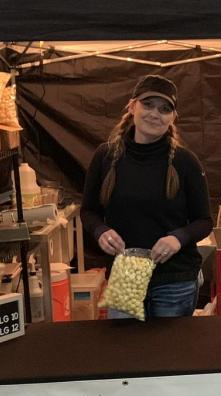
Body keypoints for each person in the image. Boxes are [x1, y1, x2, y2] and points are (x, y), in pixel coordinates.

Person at [81, 75, 212, 318]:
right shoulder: (105, 156)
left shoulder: (185, 162)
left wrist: (178, 238)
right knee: (125, 341)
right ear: (132, 107)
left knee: (168, 343)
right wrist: (101, 231)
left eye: (164, 109)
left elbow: (204, 221)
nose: (155, 114)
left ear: (173, 117)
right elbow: (88, 211)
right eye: (148, 104)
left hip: (174, 278)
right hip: (126, 274)